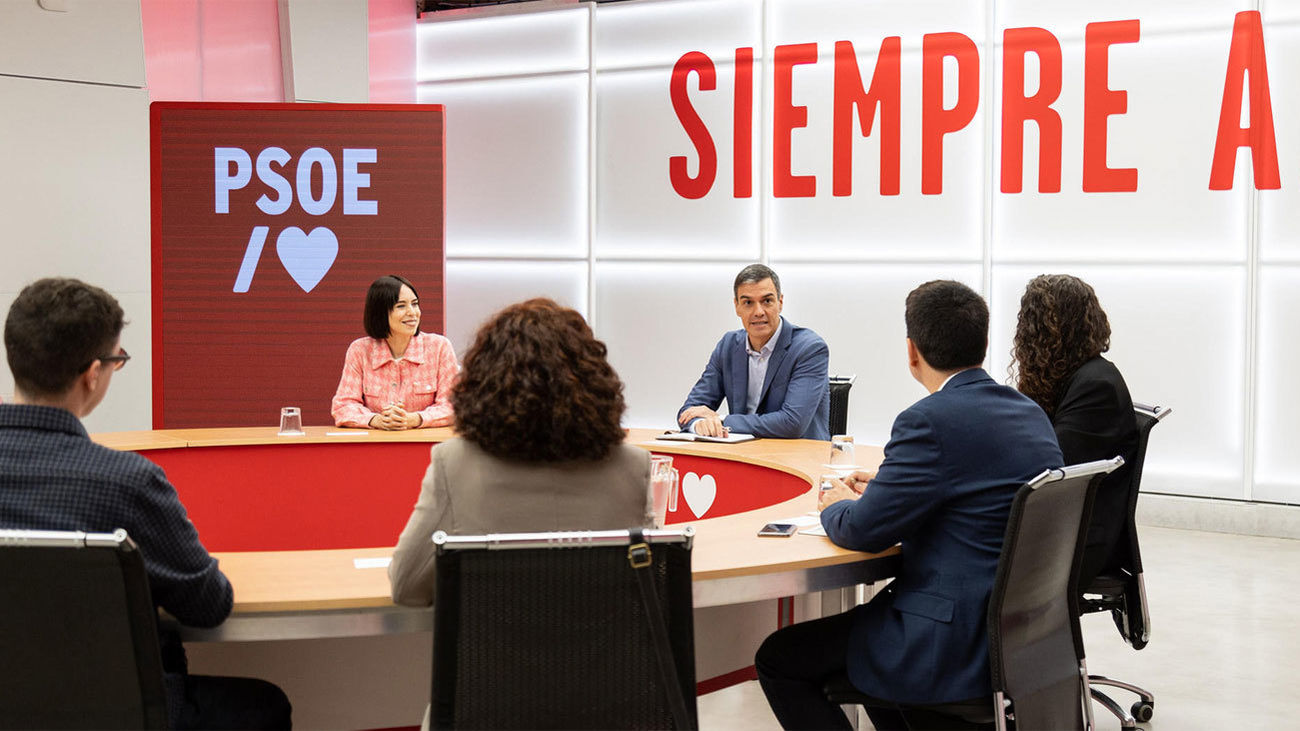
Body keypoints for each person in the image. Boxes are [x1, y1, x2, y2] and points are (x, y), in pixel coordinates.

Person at [755, 280, 1062, 731]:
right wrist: (890, 487)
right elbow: (972, 491)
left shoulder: (927, 421)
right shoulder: (1029, 413)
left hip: (946, 640)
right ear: (983, 343)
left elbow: (860, 530)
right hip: (1019, 635)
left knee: (779, 658)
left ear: (911, 351)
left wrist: (836, 503)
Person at [0, 277, 290, 730]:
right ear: (92, 374)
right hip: (122, 711)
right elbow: (209, 605)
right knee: (263, 707)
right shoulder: (127, 482)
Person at [389, 297, 653, 606]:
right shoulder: (633, 466)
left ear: (485, 380)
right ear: (595, 379)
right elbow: (649, 581)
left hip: (490, 638)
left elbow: (407, 586)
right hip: (604, 638)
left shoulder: (455, 464)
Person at [1011, 273, 1139, 591]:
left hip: (1076, 542)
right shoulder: (1072, 377)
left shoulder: (1096, 385)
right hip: (1064, 527)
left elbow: (1050, 471)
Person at [677, 264, 830, 440]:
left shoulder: (809, 348)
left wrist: (720, 420)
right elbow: (689, 411)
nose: (758, 312)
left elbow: (792, 423)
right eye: (748, 303)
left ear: (780, 302)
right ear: (737, 306)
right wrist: (699, 423)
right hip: (744, 452)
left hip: (798, 454)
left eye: (767, 301)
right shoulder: (728, 346)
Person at [331, 274, 458, 430]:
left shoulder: (439, 347)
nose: (412, 312)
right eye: (401, 306)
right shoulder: (360, 350)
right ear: (380, 313)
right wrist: (376, 420)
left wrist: (414, 419)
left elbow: (453, 406)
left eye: (415, 304)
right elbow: (343, 406)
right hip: (376, 442)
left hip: (426, 442)